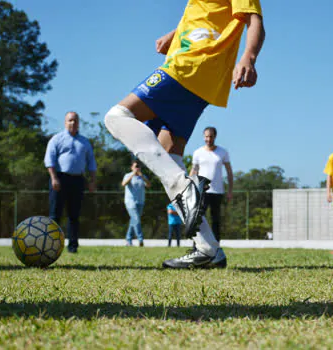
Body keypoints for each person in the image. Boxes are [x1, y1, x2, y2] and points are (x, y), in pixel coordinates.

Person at [103, 0, 265, 269]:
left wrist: (248, 56)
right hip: (198, 78)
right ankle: (208, 248)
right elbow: (202, 15)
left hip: (190, 65)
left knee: (117, 117)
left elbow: (254, 19)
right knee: (169, 155)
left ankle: (185, 189)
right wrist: (174, 34)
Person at [44, 111, 97, 253]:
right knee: (55, 215)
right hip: (59, 179)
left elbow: (91, 163)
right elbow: (49, 160)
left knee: (74, 215)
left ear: (79, 123)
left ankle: (73, 247)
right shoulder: (56, 139)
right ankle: (51, 246)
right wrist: (54, 178)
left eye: (75, 120)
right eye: (70, 120)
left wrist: (92, 181)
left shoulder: (84, 142)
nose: (72, 123)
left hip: (78, 180)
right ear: (65, 122)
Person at [190, 126, 233, 242]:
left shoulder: (222, 152)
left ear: (215, 137)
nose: (208, 139)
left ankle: (216, 245)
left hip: (217, 191)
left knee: (216, 219)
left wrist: (230, 191)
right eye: (206, 136)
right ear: (204, 137)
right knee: (198, 218)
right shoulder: (197, 153)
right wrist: (191, 188)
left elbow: (229, 172)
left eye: (211, 136)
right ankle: (198, 244)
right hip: (202, 190)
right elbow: (194, 171)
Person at [122, 161, 151, 247]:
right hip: (130, 201)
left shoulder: (142, 177)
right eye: (135, 166)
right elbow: (124, 184)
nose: (137, 168)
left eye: (138, 167)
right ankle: (140, 239)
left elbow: (149, 185)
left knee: (133, 221)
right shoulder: (127, 175)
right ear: (132, 167)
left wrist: (141, 176)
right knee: (136, 219)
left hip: (140, 201)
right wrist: (132, 175)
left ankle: (128, 240)